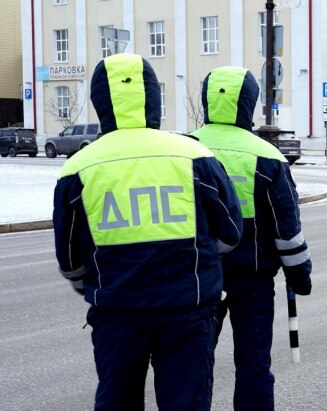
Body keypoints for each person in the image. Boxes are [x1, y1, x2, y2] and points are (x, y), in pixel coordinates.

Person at [52, 53, 243, 411]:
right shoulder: (193, 154)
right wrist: (197, 261)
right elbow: (230, 232)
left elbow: (70, 258)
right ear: (153, 97)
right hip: (188, 308)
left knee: (117, 401)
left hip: (117, 313)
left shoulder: (78, 168)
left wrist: (96, 283)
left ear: (100, 100)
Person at [191, 66, 312, 411]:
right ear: (249, 103)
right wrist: (299, 276)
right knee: (254, 366)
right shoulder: (269, 158)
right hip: (253, 281)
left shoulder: (184, 148)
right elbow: (286, 230)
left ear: (206, 100)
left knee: (195, 366)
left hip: (199, 280)